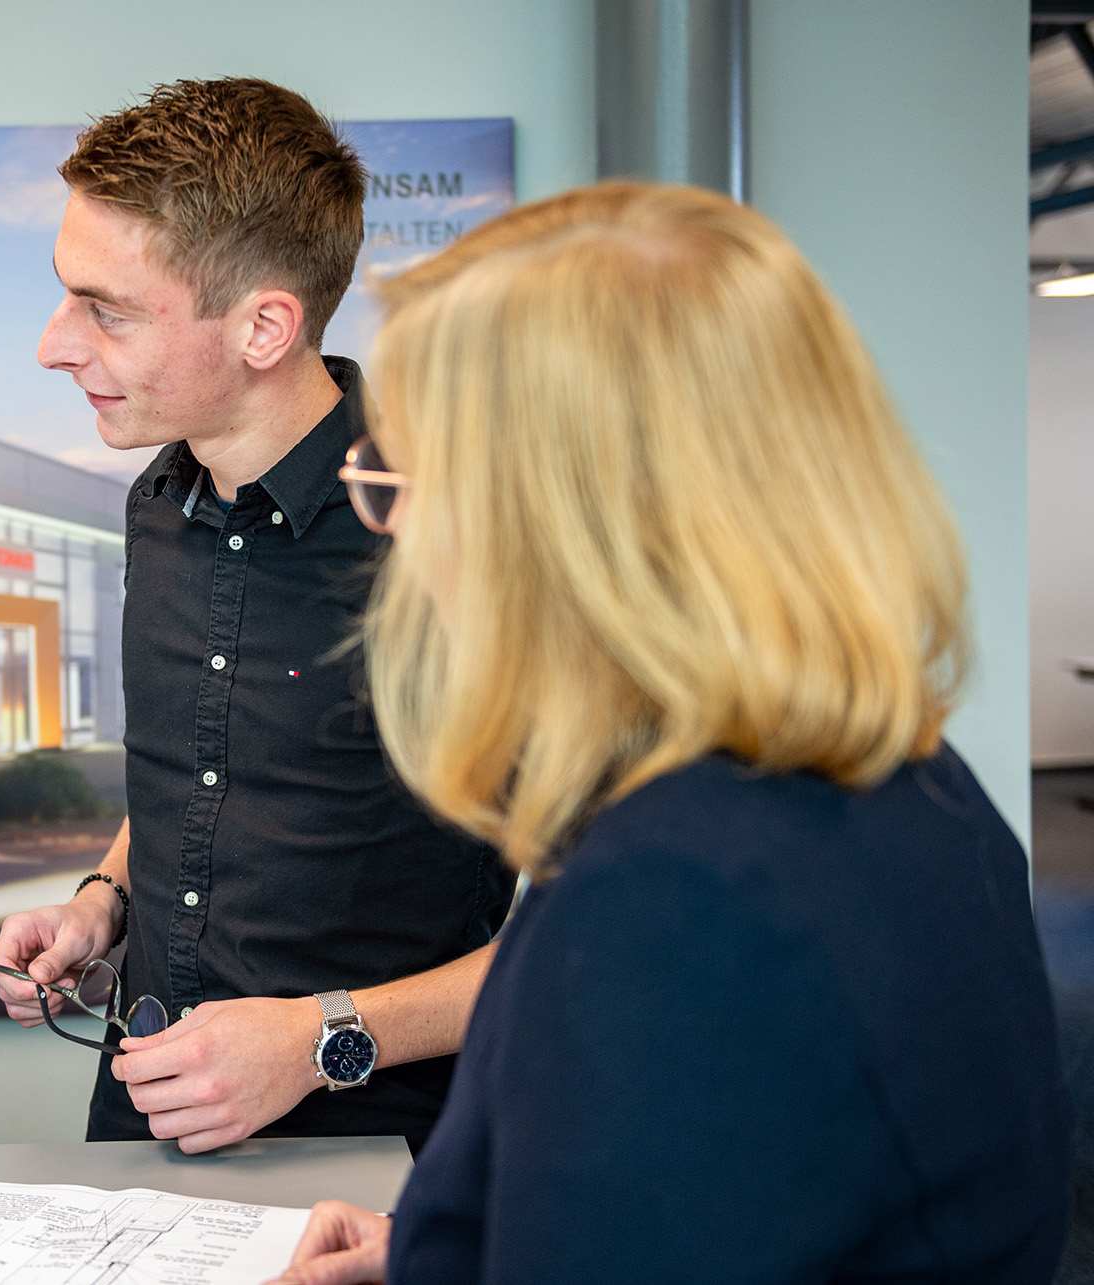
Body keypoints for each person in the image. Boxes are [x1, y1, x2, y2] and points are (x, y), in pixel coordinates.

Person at [272, 182, 1072, 1284]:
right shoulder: (907, 788)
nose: (396, 527)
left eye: (409, 477)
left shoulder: (678, 904)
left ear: (563, 522)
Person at [0, 78, 509, 1155]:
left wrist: (314, 1040)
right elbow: (205, 771)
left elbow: (582, 931)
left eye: (106, 310)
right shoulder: (158, 502)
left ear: (265, 325)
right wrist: (101, 902)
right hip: (142, 1128)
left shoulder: (464, 534)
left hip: (386, 1163)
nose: (53, 345)